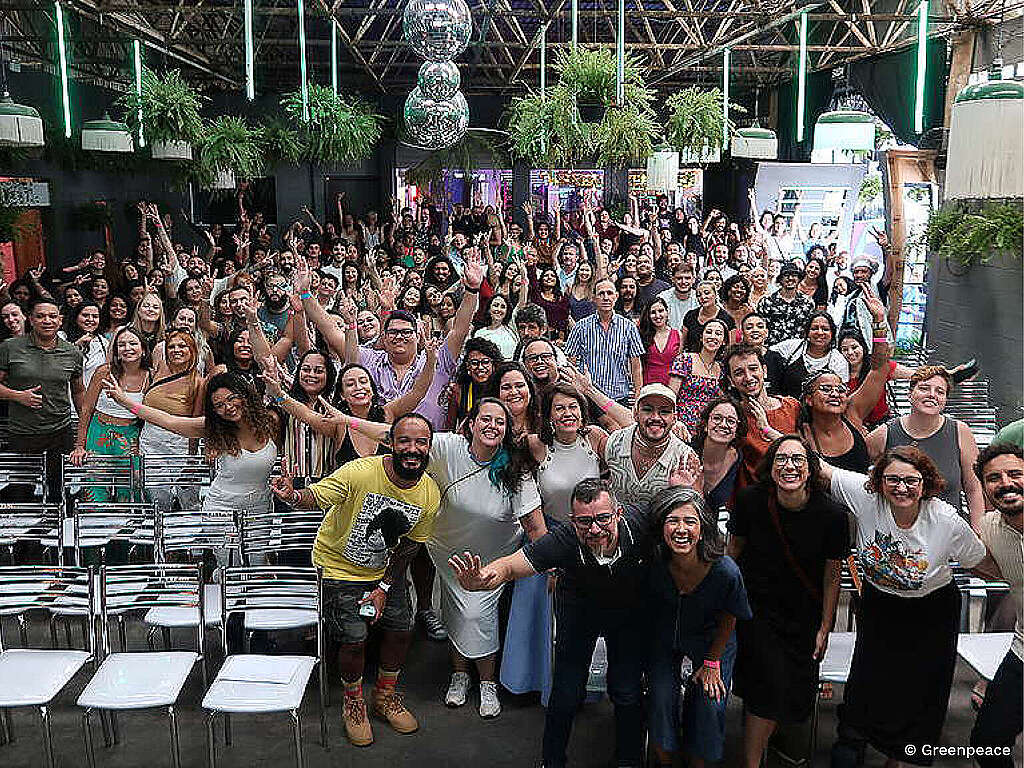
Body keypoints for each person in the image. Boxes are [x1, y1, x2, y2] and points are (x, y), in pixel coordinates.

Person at [448, 479, 663, 768]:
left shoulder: (639, 523)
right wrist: (484, 578)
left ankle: (628, 760)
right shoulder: (564, 539)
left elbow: (684, 518)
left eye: (602, 518)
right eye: (585, 522)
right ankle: (552, 761)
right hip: (579, 612)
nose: (595, 529)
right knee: (565, 692)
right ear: (573, 521)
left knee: (626, 690)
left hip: (627, 614)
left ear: (619, 513)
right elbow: (512, 565)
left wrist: (690, 487)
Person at [268, 413, 441, 747]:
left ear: (429, 446)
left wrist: (384, 588)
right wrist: (292, 496)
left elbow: (410, 546)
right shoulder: (360, 472)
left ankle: (385, 696)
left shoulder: (429, 494)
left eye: (421, 442)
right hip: (338, 568)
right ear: (391, 442)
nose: (413, 448)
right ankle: (354, 702)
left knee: (401, 629)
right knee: (354, 639)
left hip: (384, 570)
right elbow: (316, 496)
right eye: (404, 440)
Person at [819, 446, 985, 768]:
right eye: (892, 479)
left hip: (932, 614)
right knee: (866, 685)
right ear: (879, 481)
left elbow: (979, 560)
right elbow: (821, 469)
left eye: (911, 480)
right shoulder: (865, 496)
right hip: (881, 608)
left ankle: (903, 756)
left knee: (920, 693)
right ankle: (852, 743)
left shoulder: (945, 519)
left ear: (926, 483)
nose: (901, 487)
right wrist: (772, 433)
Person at [728, 435, 850, 768]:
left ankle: (775, 743)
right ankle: (751, 762)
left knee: (790, 690)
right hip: (757, 609)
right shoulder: (751, 501)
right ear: (771, 466)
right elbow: (733, 553)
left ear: (811, 469)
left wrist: (826, 626)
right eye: (782, 459)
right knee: (767, 686)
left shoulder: (832, 514)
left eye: (798, 460)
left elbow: (832, 576)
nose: (789, 466)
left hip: (803, 613)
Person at [421, 398, 546, 718]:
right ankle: (460, 675)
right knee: (454, 613)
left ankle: (487, 683)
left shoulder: (516, 468)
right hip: (447, 551)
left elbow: (535, 526)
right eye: (485, 419)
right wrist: (348, 421)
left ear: (506, 431)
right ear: (471, 424)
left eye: (500, 422)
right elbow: (403, 437)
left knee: (478, 615)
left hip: (495, 558)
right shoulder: (448, 448)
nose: (492, 426)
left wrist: (552, 562)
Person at [647, 486, 752, 768]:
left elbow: (732, 615)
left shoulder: (724, 570)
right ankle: (666, 760)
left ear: (702, 528)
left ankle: (699, 762)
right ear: (661, 527)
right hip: (665, 635)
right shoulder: (654, 562)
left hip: (714, 638)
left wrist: (712, 661)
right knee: (659, 695)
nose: (681, 529)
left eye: (690, 521)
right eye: (673, 521)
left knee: (709, 699)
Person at [867, 366, 985, 528]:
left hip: (948, 532)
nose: (932, 395)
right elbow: (860, 475)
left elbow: (974, 488)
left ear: (945, 400)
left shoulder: (960, 432)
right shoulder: (883, 434)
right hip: (898, 532)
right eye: (924, 388)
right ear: (909, 394)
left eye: (940, 391)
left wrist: (978, 531)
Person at [969, 443, 1023, 767]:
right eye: (993, 478)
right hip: (1021, 653)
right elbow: (979, 562)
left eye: (1015, 473)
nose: (1005, 483)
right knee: (987, 743)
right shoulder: (990, 529)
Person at [0, 297, 85, 500]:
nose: (47, 320)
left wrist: (84, 424)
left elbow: (78, 391)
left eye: (52, 316)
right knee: (22, 489)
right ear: (30, 319)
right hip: (23, 432)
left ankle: (52, 527)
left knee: (58, 488)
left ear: (60, 320)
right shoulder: (10, 347)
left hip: (59, 431)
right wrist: (17, 396)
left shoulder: (72, 352)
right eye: (40, 316)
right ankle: (21, 530)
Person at [70, 326, 153, 478]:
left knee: (128, 488)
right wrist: (79, 446)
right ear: (116, 351)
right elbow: (87, 409)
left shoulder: (150, 377)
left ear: (143, 350)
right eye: (121, 345)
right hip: (98, 432)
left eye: (133, 344)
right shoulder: (104, 372)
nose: (127, 348)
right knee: (96, 487)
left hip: (130, 436)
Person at [721, 343, 802, 489]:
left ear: (764, 371)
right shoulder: (731, 416)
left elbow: (806, 452)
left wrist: (766, 429)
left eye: (753, 369)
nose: (748, 377)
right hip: (754, 499)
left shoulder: (792, 407)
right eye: (739, 373)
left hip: (795, 493)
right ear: (731, 381)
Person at [564, 278, 644, 410]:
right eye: (601, 294)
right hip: (588, 397)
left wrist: (638, 394)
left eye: (609, 293)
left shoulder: (629, 327)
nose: (606, 297)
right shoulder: (580, 327)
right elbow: (570, 364)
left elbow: (636, 366)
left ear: (616, 296)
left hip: (619, 397)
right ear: (594, 298)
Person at [669, 318, 727, 435]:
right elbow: (670, 396)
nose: (713, 337)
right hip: (681, 427)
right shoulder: (685, 359)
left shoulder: (721, 369)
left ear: (724, 341)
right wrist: (674, 421)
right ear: (701, 337)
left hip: (708, 429)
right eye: (709, 332)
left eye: (718, 333)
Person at [772, 311, 850, 399]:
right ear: (807, 332)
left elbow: (841, 392)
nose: (820, 333)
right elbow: (768, 354)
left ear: (832, 333)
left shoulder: (838, 361)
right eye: (815, 328)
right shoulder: (792, 347)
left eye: (825, 329)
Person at [691, 398, 746, 513]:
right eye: (717, 418)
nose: (723, 425)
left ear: (736, 431)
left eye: (731, 421)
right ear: (705, 425)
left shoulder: (737, 458)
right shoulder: (687, 452)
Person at [757, 262, 815, 347]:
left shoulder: (808, 303)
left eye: (794, 275)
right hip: (772, 350)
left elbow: (809, 330)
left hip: (797, 351)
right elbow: (761, 329)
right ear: (780, 279)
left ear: (799, 279)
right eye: (786, 275)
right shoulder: (766, 302)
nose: (790, 278)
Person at [680, 281, 734, 353]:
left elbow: (730, 347)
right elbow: (682, 344)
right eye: (699, 295)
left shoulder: (727, 319)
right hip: (692, 358)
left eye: (707, 293)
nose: (703, 297)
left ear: (715, 294)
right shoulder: (690, 315)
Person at [639, 297, 681, 386]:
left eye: (661, 311)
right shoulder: (642, 335)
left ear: (667, 312)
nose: (657, 315)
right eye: (653, 312)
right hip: (648, 385)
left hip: (672, 386)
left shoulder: (678, 335)